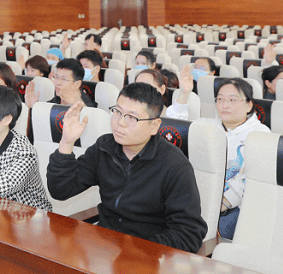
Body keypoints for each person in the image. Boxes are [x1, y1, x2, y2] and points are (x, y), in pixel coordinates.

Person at [46, 83, 207, 253]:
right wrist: (67, 142)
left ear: (154, 126)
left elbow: (189, 233)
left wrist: (140, 251)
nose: (120, 123)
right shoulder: (104, 147)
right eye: (117, 112)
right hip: (104, 247)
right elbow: (60, 190)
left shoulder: (175, 166)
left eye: (131, 118)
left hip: (147, 255)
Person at [169, 74, 269, 239]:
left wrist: (217, 207)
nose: (224, 105)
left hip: (233, 208)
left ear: (249, 105)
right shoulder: (208, 126)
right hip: (197, 199)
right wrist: (184, 94)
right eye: (220, 99)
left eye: (232, 100)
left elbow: (250, 180)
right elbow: (174, 130)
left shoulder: (260, 135)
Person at [24, 58, 97, 109]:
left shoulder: (88, 104)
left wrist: (75, 104)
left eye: (64, 79)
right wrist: (32, 107)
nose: (58, 83)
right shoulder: (56, 99)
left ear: (77, 84)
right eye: (56, 77)